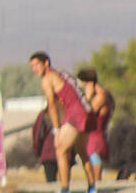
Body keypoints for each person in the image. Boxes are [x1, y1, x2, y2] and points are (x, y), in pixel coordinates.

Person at [31, 51, 93, 193]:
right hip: (86, 113)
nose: (34, 69)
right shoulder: (61, 74)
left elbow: (52, 105)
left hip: (75, 114)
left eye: (36, 65)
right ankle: (92, 187)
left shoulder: (47, 79)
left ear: (46, 63)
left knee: (60, 149)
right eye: (32, 66)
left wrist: (57, 129)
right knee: (82, 152)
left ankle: (65, 189)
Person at [78, 67, 113, 185]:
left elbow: (87, 112)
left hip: (96, 138)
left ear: (90, 83)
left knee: (95, 172)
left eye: (85, 83)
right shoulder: (101, 95)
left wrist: (87, 97)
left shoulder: (101, 96)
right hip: (94, 137)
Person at [31, 106, 60, 182]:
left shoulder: (44, 115)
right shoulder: (65, 112)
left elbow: (37, 135)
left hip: (48, 153)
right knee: (65, 185)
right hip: (65, 153)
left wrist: (37, 151)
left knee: (51, 184)